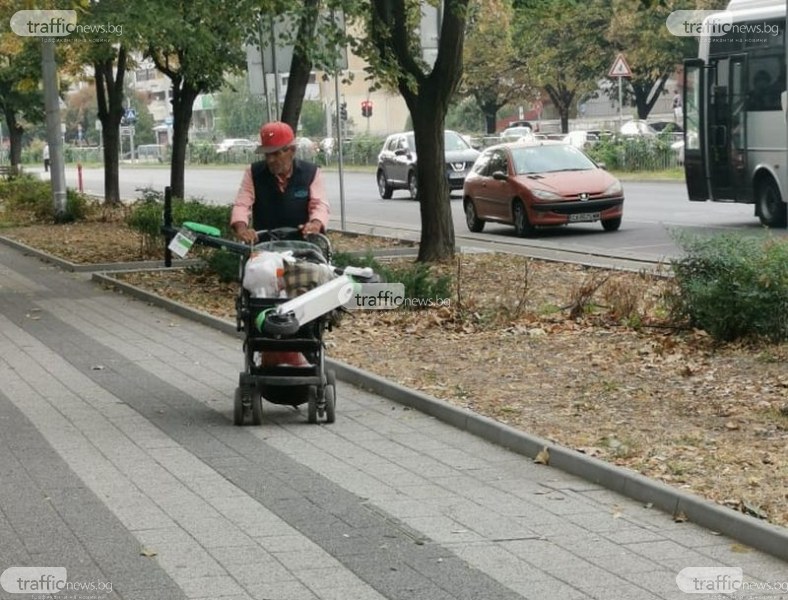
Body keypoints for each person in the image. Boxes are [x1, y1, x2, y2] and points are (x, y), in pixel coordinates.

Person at [230, 121, 329, 244]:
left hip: (302, 244)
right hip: (265, 245)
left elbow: (319, 204)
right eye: (267, 154)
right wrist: (242, 229)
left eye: (276, 153)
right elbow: (242, 204)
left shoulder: (311, 172)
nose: (271, 160)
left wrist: (315, 224)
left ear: (292, 150)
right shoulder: (253, 172)